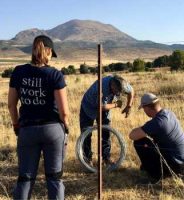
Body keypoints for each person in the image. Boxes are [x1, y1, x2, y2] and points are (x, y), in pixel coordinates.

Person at [8, 35, 69, 200]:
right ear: (47, 51)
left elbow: (11, 105)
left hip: (27, 129)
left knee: (25, 178)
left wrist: (16, 125)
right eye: (51, 54)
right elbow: (64, 112)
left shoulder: (19, 72)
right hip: (52, 129)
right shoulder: (55, 75)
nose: (51, 58)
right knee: (54, 178)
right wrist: (67, 128)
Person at [129, 93, 184, 183]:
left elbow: (132, 136)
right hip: (181, 160)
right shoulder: (169, 113)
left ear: (147, 108)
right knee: (151, 142)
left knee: (140, 142)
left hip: (176, 166)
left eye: (143, 109)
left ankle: (155, 176)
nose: (144, 111)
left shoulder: (157, 123)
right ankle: (151, 167)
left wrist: (143, 129)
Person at [80, 74, 134, 165]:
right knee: (86, 134)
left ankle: (106, 158)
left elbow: (131, 91)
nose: (118, 95)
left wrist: (129, 106)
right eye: (116, 92)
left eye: (120, 93)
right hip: (88, 107)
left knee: (106, 132)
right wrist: (116, 104)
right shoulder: (100, 88)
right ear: (112, 86)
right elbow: (102, 107)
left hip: (104, 107)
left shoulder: (121, 84)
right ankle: (87, 160)